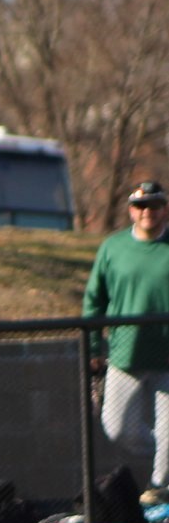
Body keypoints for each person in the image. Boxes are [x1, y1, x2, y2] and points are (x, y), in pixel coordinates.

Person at [85, 180, 169, 506]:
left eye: (155, 204)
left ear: (165, 208)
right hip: (125, 352)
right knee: (118, 427)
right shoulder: (113, 248)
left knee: (168, 431)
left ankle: (160, 489)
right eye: (141, 205)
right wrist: (93, 347)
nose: (148, 211)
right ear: (131, 210)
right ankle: (164, 459)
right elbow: (94, 301)